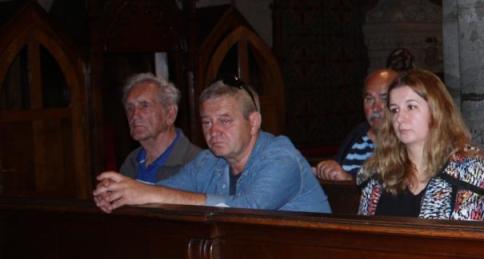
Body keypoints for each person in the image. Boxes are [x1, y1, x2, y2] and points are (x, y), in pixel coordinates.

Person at [94, 79, 330, 213]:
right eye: (207, 122)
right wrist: (119, 191)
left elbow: (247, 209)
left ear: (253, 122)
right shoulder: (208, 161)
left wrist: (148, 193)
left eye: (225, 121)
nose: (213, 131)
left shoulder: (281, 158)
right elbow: (163, 189)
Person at [358, 69, 484, 219]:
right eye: (394, 110)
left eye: (411, 107)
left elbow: (465, 233)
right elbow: (363, 229)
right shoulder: (378, 171)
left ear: (436, 111)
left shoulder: (468, 170)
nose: (399, 118)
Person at [314, 68, 398, 183]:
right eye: (369, 99)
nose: (375, 108)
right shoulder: (358, 133)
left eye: (384, 99)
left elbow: (392, 189)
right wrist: (326, 169)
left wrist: (349, 181)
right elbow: (337, 168)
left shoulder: (406, 144)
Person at [117, 73, 201, 183]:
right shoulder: (131, 162)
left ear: (170, 114)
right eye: (130, 108)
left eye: (144, 105)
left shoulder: (197, 163)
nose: (134, 115)